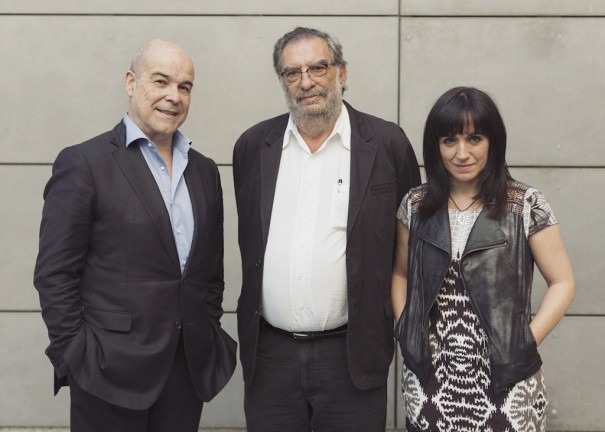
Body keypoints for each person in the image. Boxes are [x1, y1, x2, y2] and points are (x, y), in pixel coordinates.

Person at [33, 39, 236, 432]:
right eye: (160, 81)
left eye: (185, 86)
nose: (173, 97)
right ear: (131, 82)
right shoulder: (84, 163)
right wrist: (76, 354)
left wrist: (207, 328)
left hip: (185, 371)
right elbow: (54, 274)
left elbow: (209, 273)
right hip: (107, 371)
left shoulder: (204, 171)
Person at [233, 27, 421, 432]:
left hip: (352, 355)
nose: (306, 82)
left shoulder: (387, 144)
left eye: (318, 67)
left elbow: (414, 244)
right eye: (292, 72)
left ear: (341, 73)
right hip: (271, 358)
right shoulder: (253, 147)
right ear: (282, 81)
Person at [391, 86, 576, 431]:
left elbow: (563, 282)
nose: (462, 153)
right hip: (431, 375)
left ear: (493, 142)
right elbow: (400, 274)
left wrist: (524, 343)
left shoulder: (525, 204)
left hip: (506, 375)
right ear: (436, 146)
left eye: (474, 138)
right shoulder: (415, 205)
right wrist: (408, 333)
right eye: (449, 141)